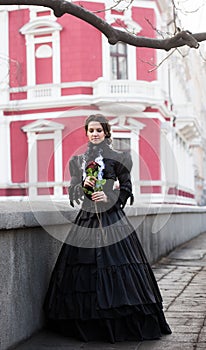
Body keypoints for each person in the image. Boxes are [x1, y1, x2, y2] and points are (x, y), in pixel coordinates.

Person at [44, 114, 172, 343]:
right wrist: (83, 186)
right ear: (87, 133)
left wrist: (109, 196)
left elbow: (126, 188)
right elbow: (73, 190)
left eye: (99, 130)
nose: (95, 134)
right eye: (91, 130)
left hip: (113, 220)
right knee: (83, 267)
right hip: (87, 218)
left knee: (119, 266)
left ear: (106, 132)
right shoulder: (78, 161)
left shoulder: (120, 158)